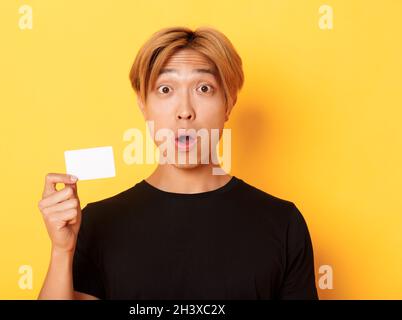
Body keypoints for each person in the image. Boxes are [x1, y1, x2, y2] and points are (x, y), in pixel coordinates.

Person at [37, 26, 318, 300]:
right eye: (165, 89)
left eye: (204, 88)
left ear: (229, 104)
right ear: (143, 106)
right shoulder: (97, 223)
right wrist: (62, 251)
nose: (185, 111)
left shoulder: (283, 223)